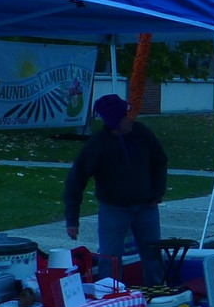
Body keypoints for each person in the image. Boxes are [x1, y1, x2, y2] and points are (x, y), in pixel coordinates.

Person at [64, 94, 168, 285]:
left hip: (146, 207)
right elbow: (75, 180)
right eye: (125, 117)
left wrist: (157, 193)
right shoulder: (98, 145)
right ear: (113, 122)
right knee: (109, 259)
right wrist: (72, 218)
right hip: (113, 209)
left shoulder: (142, 133)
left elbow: (160, 161)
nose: (130, 119)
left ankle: (159, 297)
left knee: (153, 256)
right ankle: (110, 299)